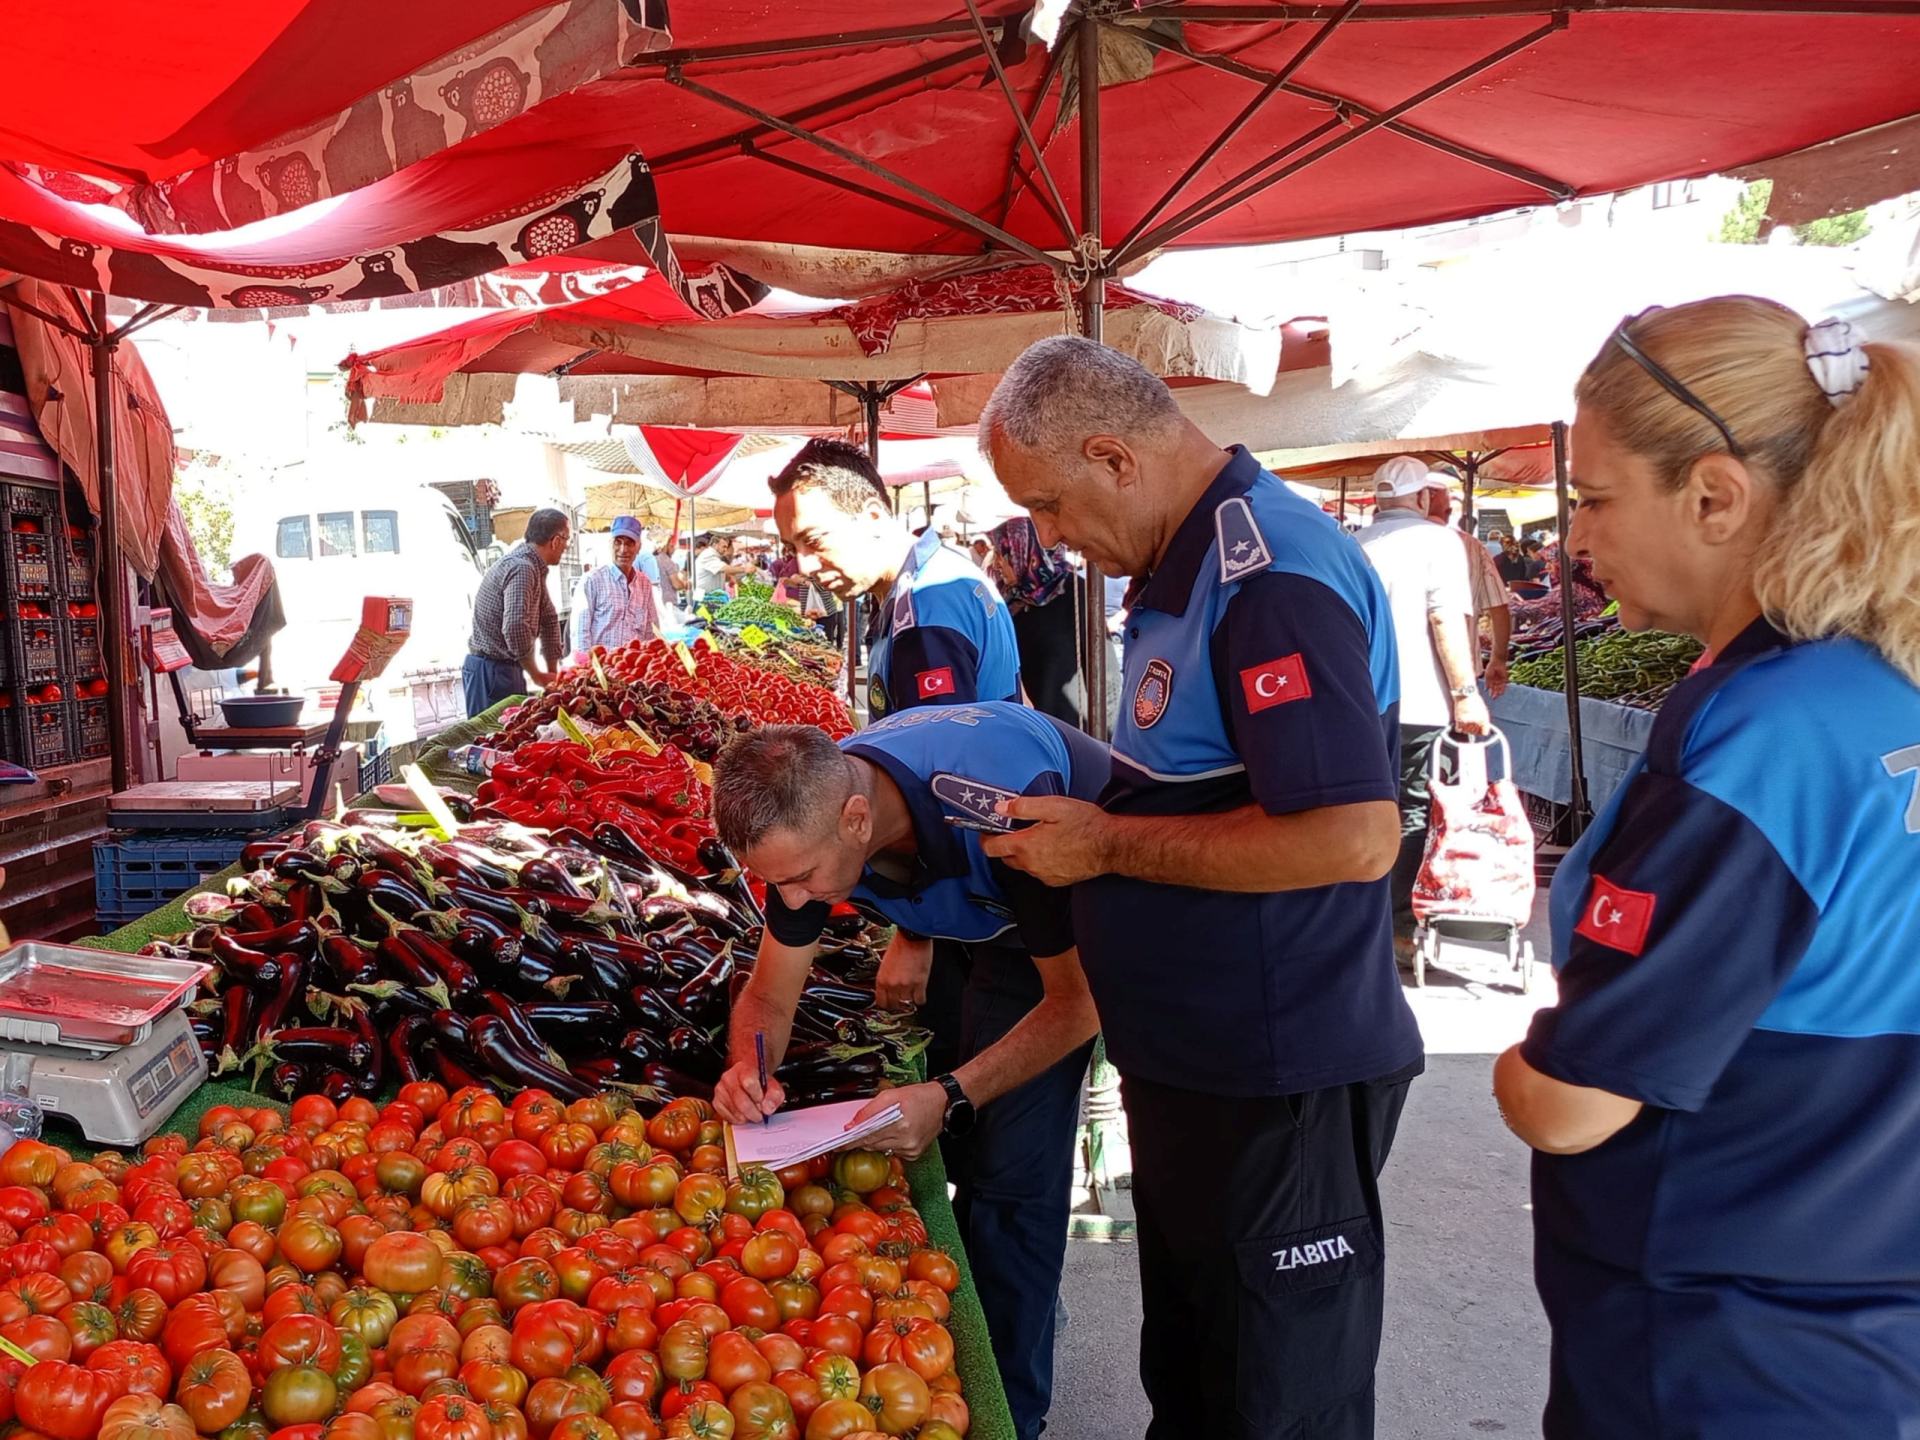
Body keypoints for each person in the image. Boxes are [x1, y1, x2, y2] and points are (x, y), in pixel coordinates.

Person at [975, 337, 1424, 1440]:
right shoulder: (1187, 572)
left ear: (1113, 456)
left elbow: (1353, 835)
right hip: (1201, 1075)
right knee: (1203, 1383)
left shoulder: (1267, 576)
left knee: (1278, 1398)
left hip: (1280, 1079)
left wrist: (1107, 850)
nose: (1054, 542)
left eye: (1051, 505)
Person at [1491, 300, 1920, 1437]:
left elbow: (1579, 1103)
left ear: (1715, 496)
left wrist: (1519, 1074)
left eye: (1593, 499)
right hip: (1865, 1325)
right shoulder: (1887, 688)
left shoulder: (1764, 733)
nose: (1576, 540)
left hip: (1718, 1337)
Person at [711, 706, 1105, 1440]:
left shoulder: (1008, 806)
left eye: (800, 878)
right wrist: (748, 1068)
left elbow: (1081, 1002)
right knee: (958, 1136)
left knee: (1013, 1177)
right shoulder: (820, 816)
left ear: (857, 821)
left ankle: (1014, 1414)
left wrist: (952, 1093)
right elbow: (768, 992)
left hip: (1079, 924)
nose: (795, 901)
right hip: (988, 911)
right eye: (777, 884)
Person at [769, 436, 1021, 1081]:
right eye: (793, 547)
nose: (803, 564)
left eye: (815, 539)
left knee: (985, 1098)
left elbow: (948, 780)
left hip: (985, 897)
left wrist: (914, 938)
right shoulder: (939, 579)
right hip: (997, 882)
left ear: (874, 516)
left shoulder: (925, 616)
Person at [1358, 457, 1491, 945]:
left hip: (1361, 705)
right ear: (1420, 498)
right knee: (1412, 811)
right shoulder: (1440, 542)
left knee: (1365, 806)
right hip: (1420, 703)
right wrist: (1466, 694)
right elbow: (1445, 621)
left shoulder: (1352, 545)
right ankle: (1397, 926)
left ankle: (1364, 922)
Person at [463, 506, 569, 717]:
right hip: (492, 672)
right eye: (566, 539)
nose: (566, 546)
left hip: (501, 669)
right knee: (493, 740)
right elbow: (514, 627)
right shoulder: (523, 568)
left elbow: (548, 619)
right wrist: (537, 674)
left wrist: (552, 672)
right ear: (556, 541)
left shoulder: (533, 567)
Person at [1424, 477, 1513, 698]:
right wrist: (1498, 659)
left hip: (1400, 674)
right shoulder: (1472, 546)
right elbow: (1499, 607)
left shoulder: (1387, 541)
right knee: (1456, 729)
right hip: (1461, 676)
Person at [988, 517, 1081, 725]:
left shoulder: (1074, 592)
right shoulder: (1008, 600)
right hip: (1025, 724)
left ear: (1023, 551)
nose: (996, 564)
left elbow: (1105, 668)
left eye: (1001, 554)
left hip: (1072, 725)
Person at [569, 515, 659, 656]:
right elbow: (580, 633)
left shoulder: (644, 583)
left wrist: (653, 659)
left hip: (635, 669)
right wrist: (587, 668)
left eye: (629, 543)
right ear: (610, 544)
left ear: (639, 547)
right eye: (618, 542)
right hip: (602, 669)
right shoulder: (592, 580)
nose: (623, 550)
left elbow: (651, 629)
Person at [691, 532, 751, 601]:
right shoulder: (708, 555)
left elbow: (719, 574)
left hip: (709, 596)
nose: (725, 550)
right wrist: (745, 569)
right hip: (703, 596)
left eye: (726, 547)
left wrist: (732, 577)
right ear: (715, 545)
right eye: (724, 546)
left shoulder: (716, 557)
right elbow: (724, 568)